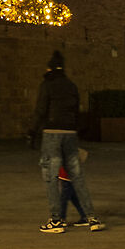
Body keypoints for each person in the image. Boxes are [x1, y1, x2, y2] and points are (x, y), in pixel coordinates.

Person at [32, 51, 102, 233]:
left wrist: (31, 132)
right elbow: (77, 110)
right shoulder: (71, 85)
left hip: (52, 133)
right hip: (70, 133)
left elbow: (40, 109)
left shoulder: (47, 85)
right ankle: (92, 217)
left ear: (49, 68)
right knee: (77, 177)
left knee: (51, 177)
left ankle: (56, 220)